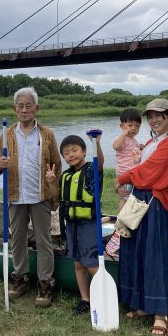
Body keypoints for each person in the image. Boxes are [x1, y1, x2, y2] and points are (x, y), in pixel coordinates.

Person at [116, 99, 168, 336]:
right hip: (139, 198)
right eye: (151, 116)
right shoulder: (150, 142)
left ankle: (160, 313)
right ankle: (142, 304)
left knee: (154, 254)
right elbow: (142, 165)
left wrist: (124, 177)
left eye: (159, 115)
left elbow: (152, 170)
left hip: (155, 201)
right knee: (136, 250)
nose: (154, 120)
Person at [0, 87, 62, 307]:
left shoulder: (47, 134)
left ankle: (45, 283)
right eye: (20, 106)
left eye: (28, 105)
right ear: (15, 109)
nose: (24, 109)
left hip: (39, 196)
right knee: (18, 239)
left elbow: (57, 165)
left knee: (44, 241)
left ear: (36, 108)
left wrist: (53, 190)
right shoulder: (6, 134)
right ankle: (20, 279)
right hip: (15, 195)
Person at [45, 132, 104, 315]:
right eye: (67, 153)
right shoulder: (66, 175)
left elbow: (100, 163)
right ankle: (85, 299)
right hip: (72, 224)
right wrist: (52, 182)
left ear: (84, 151)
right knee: (78, 263)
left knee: (92, 263)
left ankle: (102, 299)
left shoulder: (91, 170)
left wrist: (97, 144)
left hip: (89, 223)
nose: (71, 155)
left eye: (75, 150)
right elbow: (56, 198)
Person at [112, 107, 142, 212]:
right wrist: (123, 134)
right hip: (124, 174)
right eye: (130, 125)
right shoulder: (122, 138)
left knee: (132, 197)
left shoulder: (133, 140)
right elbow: (116, 146)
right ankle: (121, 220)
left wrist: (140, 147)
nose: (133, 128)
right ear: (122, 126)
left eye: (137, 126)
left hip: (133, 174)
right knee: (124, 198)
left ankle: (129, 219)